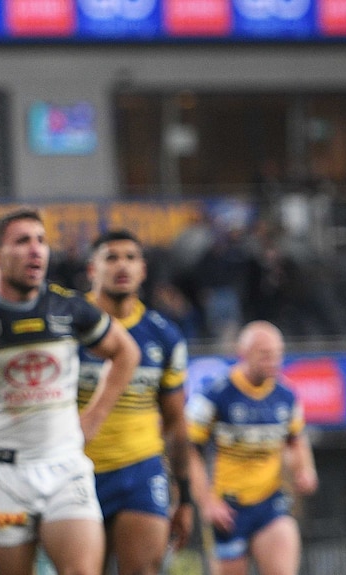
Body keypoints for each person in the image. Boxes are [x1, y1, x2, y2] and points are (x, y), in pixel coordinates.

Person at [0, 208, 141, 575]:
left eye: (41, 240)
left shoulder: (67, 307)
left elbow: (126, 352)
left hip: (66, 468)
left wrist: (96, 415)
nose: (36, 250)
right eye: (23, 241)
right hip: (2, 478)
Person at [78, 230, 194, 575]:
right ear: (91, 270)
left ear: (143, 270)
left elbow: (175, 422)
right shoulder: (66, 326)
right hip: (78, 472)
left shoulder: (164, 335)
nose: (122, 265)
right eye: (111, 257)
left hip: (140, 470)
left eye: (131, 257)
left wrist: (185, 497)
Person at [185, 320, 318, 575]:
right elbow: (189, 450)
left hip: (270, 501)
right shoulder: (215, 394)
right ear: (243, 354)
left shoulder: (286, 395)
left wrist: (305, 470)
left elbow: (296, 439)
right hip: (229, 508)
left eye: (277, 355)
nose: (273, 361)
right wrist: (207, 502)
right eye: (265, 354)